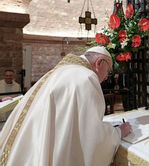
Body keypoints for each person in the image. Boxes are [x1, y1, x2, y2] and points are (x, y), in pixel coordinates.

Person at [0, 46, 132, 165]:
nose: (105, 78)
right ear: (99, 63)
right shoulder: (86, 77)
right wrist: (119, 131)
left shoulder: (58, 72)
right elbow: (91, 137)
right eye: (108, 72)